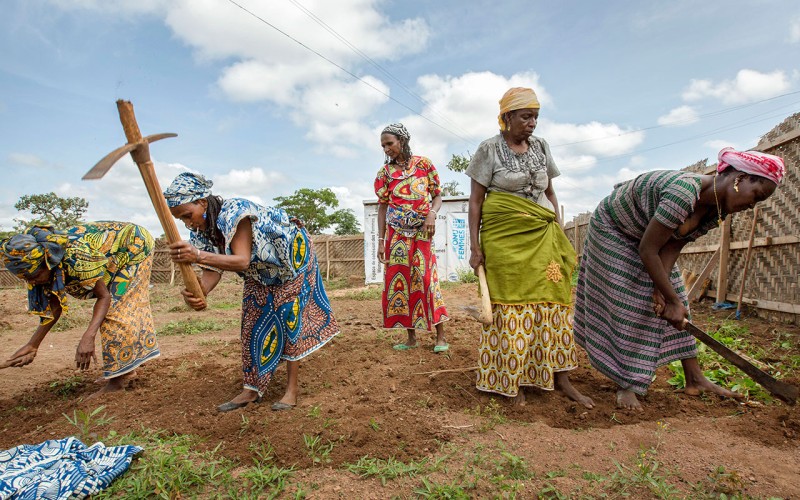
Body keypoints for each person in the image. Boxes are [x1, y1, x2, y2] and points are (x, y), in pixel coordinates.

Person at [574, 147, 785, 410]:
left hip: (648, 240)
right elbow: (647, 249)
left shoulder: (717, 210)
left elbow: (672, 246)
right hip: (614, 230)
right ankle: (626, 383)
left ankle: (695, 379)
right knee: (631, 302)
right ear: (740, 178)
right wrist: (664, 297)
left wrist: (667, 294)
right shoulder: (682, 193)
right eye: (756, 196)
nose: (752, 206)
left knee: (678, 297)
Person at [163, 172, 339, 412]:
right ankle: (251, 388)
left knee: (290, 317)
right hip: (260, 271)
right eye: (181, 220)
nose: (187, 223)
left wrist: (197, 255)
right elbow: (212, 271)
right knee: (252, 321)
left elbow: (242, 260)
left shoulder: (236, 212)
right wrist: (200, 291)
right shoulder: (200, 231)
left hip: (291, 262)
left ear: (202, 202)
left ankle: (291, 390)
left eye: (187, 215)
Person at [466, 87, 593, 408]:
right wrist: (474, 246)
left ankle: (560, 377)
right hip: (504, 239)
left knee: (553, 301)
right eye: (525, 116)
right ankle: (513, 380)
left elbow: (550, 193)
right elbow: (476, 202)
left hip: (543, 232)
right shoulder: (489, 150)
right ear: (507, 118)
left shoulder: (541, 147)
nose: (532, 123)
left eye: (535, 117)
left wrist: (559, 230)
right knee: (510, 308)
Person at [0, 223, 159, 395]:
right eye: (27, 279)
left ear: (48, 262)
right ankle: (123, 370)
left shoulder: (76, 258)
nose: (32, 282)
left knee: (115, 310)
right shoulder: (43, 267)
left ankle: (116, 383)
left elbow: (104, 296)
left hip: (134, 245)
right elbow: (54, 307)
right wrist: (32, 345)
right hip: (113, 252)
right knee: (113, 308)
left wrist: (88, 337)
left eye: (35, 276)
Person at [375, 123, 449, 352]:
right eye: (383, 146)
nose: (386, 149)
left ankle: (440, 337)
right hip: (396, 235)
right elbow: (382, 207)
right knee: (401, 282)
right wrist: (381, 240)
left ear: (402, 141)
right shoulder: (385, 174)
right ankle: (411, 338)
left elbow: (437, 196)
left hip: (422, 233)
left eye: (390, 143)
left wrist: (432, 215)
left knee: (426, 279)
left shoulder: (424, 165)